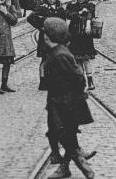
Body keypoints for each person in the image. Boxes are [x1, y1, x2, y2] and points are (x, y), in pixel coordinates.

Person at [41, 17, 95, 179]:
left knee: (63, 134)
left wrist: (74, 97)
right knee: (58, 133)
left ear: (47, 37)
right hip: (57, 101)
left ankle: (83, 166)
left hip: (66, 102)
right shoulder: (55, 52)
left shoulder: (60, 54)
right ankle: (65, 166)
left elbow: (78, 76)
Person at [28, 0, 68, 92]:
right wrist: (41, 26)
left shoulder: (60, 9)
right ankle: (43, 81)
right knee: (45, 59)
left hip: (57, 38)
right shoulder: (42, 9)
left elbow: (63, 22)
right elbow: (30, 18)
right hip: (45, 38)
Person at [65, 0, 97, 90]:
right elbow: (68, 15)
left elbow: (90, 14)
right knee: (77, 60)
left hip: (85, 36)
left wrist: (87, 23)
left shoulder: (90, 5)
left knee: (86, 59)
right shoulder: (71, 6)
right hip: (74, 35)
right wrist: (78, 13)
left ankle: (90, 81)